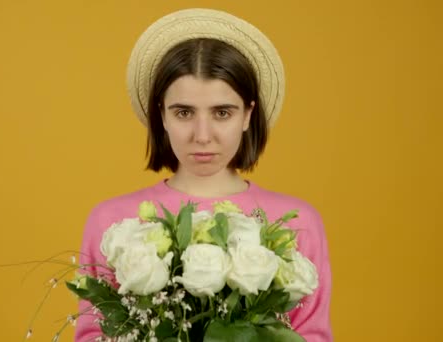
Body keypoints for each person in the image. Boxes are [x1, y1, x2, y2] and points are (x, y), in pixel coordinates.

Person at [75, 8, 332, 342]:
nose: (202, 135)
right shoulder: (111, 222)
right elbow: (93, 334)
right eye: (184, 112)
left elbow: (311, 334)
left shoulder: (298, 223)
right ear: (162, 116)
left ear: (247, 115)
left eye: (222, 113)